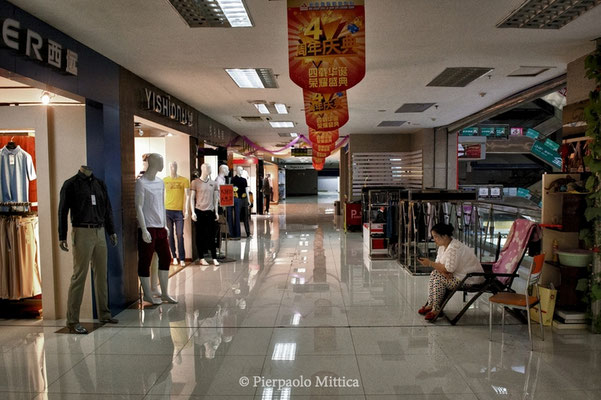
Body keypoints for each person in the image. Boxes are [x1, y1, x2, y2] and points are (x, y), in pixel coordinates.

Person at [58, 166, 118, 334]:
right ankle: (72, 320)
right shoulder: (70, 184)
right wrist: (61, 235)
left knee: (101, 274)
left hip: (99, 231)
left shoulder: (99, 184)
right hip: (81, 231)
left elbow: (108, 209)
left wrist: (111, 231)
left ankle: (104, 314)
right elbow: (62, 211)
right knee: (79, 276)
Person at [417, 222, 483, 321]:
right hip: (457, 276)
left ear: (445, 236)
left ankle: (436, 309)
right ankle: (431, 304)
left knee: (438, 278)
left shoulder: (454, 248)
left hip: (468, 279)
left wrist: (430, 264)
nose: (434, 240)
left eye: (436, 237)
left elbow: (449, 268)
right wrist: (443, 272)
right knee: (435, 274)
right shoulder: (442, 247)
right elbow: (439, 264)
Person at [135, 153, 177, 305]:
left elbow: (162, 204)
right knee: (145, 260)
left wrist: (165, 224)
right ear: (153, 163)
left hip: (160, 227)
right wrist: (144, 228)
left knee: (166, 257)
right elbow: (138, 206)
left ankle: (164, 292)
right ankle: (147, 294)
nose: (163, 165)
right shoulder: (141, 183)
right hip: (148, 227)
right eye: (161, 162)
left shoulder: (160, 182)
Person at [190, 163, 220, 266]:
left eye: (210, 167)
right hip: (199, 211)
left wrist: (216, 212)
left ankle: (214, 257)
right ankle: (201, 257)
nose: (210, 169)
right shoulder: (195, 183)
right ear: (203, 169)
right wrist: (193, 212)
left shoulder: (214, 183)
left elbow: (215, 199)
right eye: (208, 167)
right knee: (200, 235)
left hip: (210, 211)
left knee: (211, 235)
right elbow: (192, 198)